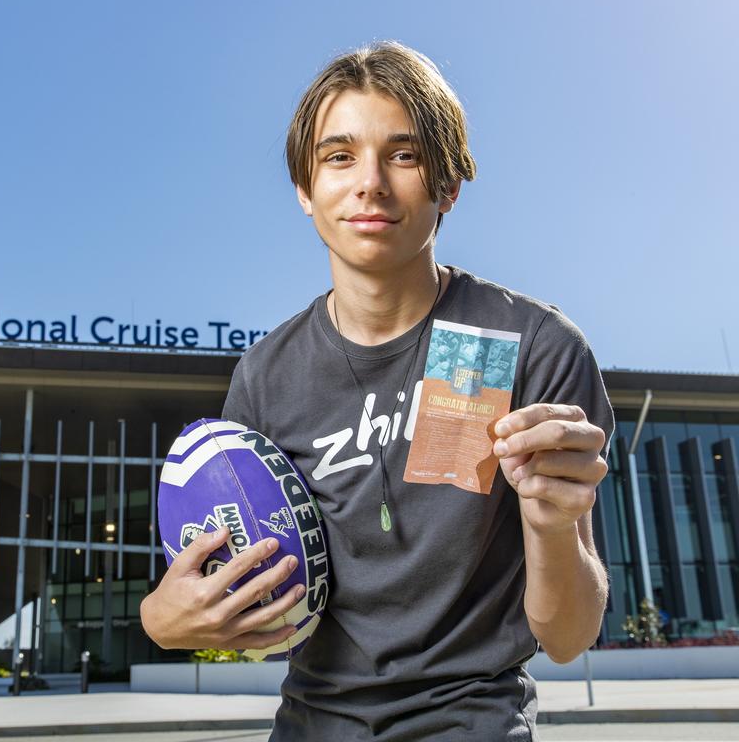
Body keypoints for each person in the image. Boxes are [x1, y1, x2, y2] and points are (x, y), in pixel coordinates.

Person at [140, 41, 614, 741]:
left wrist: (548, 524)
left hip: (473, 721)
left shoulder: (533, 345)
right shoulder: (265, 375)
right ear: (305, 189)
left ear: (448, 183)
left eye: (404, 154)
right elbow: (252, 602)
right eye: (339, 157)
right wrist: (164, 620)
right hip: (312, 722)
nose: (370, 184)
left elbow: (569, 636)